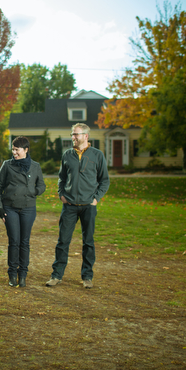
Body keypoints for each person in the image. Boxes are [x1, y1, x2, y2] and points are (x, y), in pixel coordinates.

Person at [45, 123, 110, 289]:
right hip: (70, 206)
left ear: (86, 136)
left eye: (76, 134)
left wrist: (96, 198)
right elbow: (62, 177)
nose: (73, 137)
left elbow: (104, 180)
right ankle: (56, 275)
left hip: (89, 206)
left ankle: (87, 276)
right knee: (63, 242)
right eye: (72, 134)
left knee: (88, 242)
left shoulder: (97, 155)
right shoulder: (67, 155)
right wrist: (61, 194)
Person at [0, 136, 46, 288]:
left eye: (17, 150)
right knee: (14, 241)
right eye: (13, 149)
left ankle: (23, 275)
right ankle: (12, 274)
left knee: (24, 242)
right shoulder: (7, 165)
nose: (14, 153)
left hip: (28, 207)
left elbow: (42, 186)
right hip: (10, 207)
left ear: (26, 150)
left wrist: (33, 191)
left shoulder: (35, 166)